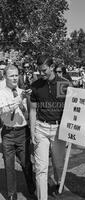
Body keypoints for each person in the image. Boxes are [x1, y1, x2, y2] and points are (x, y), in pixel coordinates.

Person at [30, 55, 70, 200]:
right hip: (41, 129)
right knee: (41, 169)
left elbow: (70, 109)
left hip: (59, 130)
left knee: (59, 164)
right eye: (39, 71)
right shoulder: (35, 86)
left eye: (44, 70)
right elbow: (33, 110)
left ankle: (59, 183)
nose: (41, 74)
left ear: (52, 67)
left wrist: (70, 132)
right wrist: (32, 132)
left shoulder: (64, 84)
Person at [0, 64, 35, 200]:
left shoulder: (23, 92)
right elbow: (2, 110)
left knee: (26, 163)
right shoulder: (2, 93)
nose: (15, 78)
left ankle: (31, 186)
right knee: (9, 166)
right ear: (5, 77)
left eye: (16, 75)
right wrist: (18, 100)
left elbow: (27, 114)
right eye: (11, 75)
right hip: (8, 133)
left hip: (22, 133)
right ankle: (11, 195)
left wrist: (25, 102)